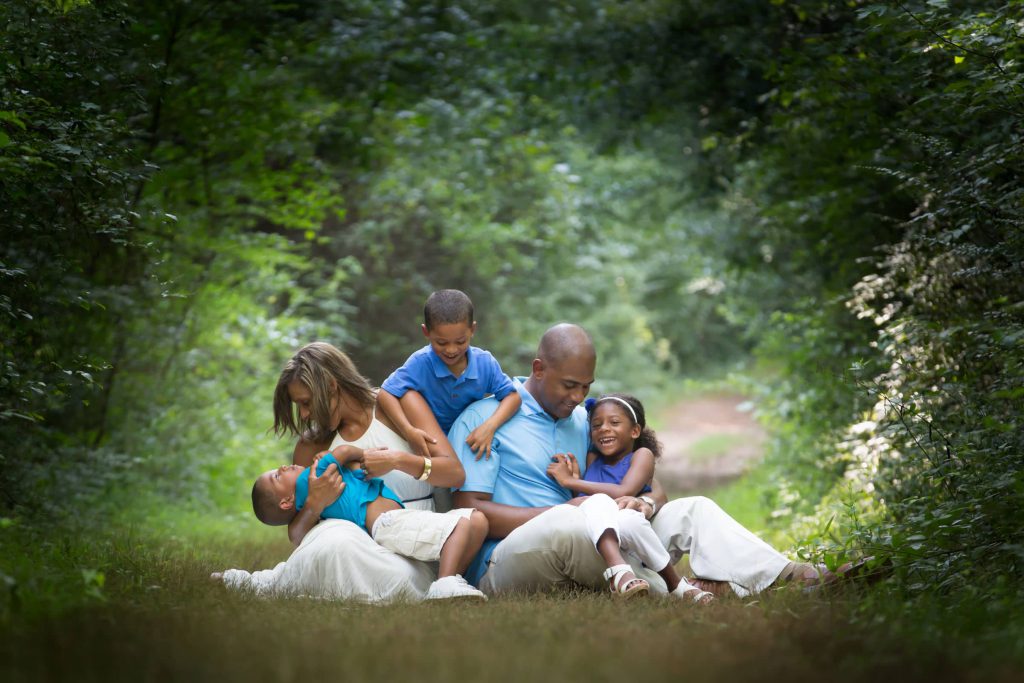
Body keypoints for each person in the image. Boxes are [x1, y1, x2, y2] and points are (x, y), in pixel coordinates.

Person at [448, 323, 829, 598]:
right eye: (569, 385)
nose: (579, 397)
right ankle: (691, 589)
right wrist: (570, 508)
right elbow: (469, 512)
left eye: (586, 386)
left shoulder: (584, 421)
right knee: (568, 523)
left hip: (596, 534)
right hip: (508, 557)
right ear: (538, 369)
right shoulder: (485, 418)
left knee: (692, 509)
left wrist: (644, 502)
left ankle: (792, 576)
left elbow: (647, 482)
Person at [251, 444, 488, 601]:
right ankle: (445, 583)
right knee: (461, 526)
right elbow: (343, 451)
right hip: (388, 523)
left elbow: (295, 533)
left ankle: (446, 586)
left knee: (477, 522)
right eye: (277, 476)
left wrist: (354, 467)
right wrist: (367, 456)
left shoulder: (321, 488)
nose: (282, 467)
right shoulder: (312, 477)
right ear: (286, 502)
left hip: (392, 523)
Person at [545, 393, 713, 603]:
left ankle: (671, 583)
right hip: (599, 541)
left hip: (633, 538)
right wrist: (576, 482)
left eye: (614, 422)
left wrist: (570, 482)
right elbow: (587, 502)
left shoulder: (642, 455)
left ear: (635, 430)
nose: (604, 428)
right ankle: (675, 586)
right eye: (596, 425)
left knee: (628, 518)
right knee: (602, 505)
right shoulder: (592, 458)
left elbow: (624, 490)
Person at [377, 289, 521, 460]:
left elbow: (513, 397)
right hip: (433, 446)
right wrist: (408, 430)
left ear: (472, 329)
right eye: (441, 342)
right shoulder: (421, 363)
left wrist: (490, 426)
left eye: (460, 341)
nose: (451, 350)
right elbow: (386, 393)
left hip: (467, 441)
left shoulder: (484, 363)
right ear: (426, 332)